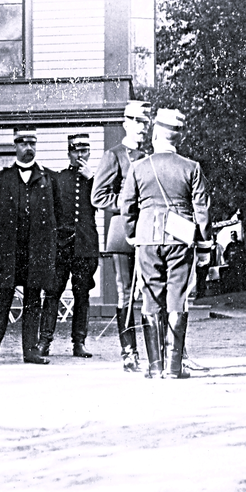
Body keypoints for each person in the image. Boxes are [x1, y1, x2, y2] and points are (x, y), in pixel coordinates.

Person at [120, 108, 210, 378]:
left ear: (156, 133)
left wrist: (132, 234)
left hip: (147, 238)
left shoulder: (138, 167)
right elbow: (202, 211)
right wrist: (204, 246)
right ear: (177, 137)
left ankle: (154, 366)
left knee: (150, 297)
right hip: (180, 238)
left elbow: (127, 207)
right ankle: (173, 368)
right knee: (177, 298)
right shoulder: (191, 167)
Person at [0, 127, 61, 365]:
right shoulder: (1, 179)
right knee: (2, 298)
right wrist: (6, 239)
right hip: (10, 251)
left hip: (37, 251)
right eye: (23, 143)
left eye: (32, 143)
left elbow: (58, 217)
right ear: (15, 146)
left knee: (33, 299)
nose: (28, 148)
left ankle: (31, 351)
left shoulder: (49, 179)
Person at [93, 100, 149, 372]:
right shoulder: (113, 155)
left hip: (148, 233)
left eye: (145, 122)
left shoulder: (148, 157)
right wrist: (128, 204)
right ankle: (129, 353)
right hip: (122, 235)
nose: (142, 128)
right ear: (125, 123)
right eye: (137, 122)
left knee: (150, 292)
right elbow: (98, 196)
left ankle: (156, 354)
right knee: (125, 294)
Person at [40, 134, 99, 359]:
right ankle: (45, 341)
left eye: (84, 151)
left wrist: (92, 179)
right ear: (69, 153)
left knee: (82, 294)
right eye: (76, 151)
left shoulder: (95, 180)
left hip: (85, 245)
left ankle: (79, 342)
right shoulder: (58, 179)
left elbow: (103, 200)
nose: (80, 155)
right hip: (61, 246)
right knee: (52, 292)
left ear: (89, 153)